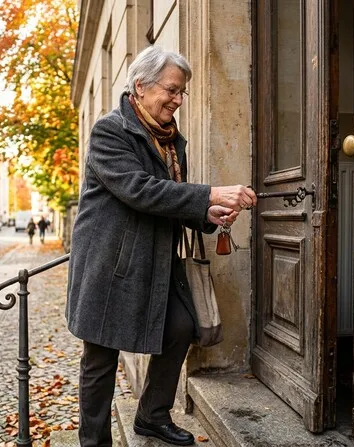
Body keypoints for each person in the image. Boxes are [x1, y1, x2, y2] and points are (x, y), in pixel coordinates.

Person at [66, 45, 256, 447]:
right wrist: (209, 195)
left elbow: (169, 198)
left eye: (182, 92)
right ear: (141, 86)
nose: (178, 99)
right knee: (100, 358)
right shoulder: (110, 130)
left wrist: (207, 215)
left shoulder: (171, 140)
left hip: (154, 260)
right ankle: (94, 441)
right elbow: (139, 190)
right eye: (171, 90)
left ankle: (152, 416)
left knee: (181, 326)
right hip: (110, 262)